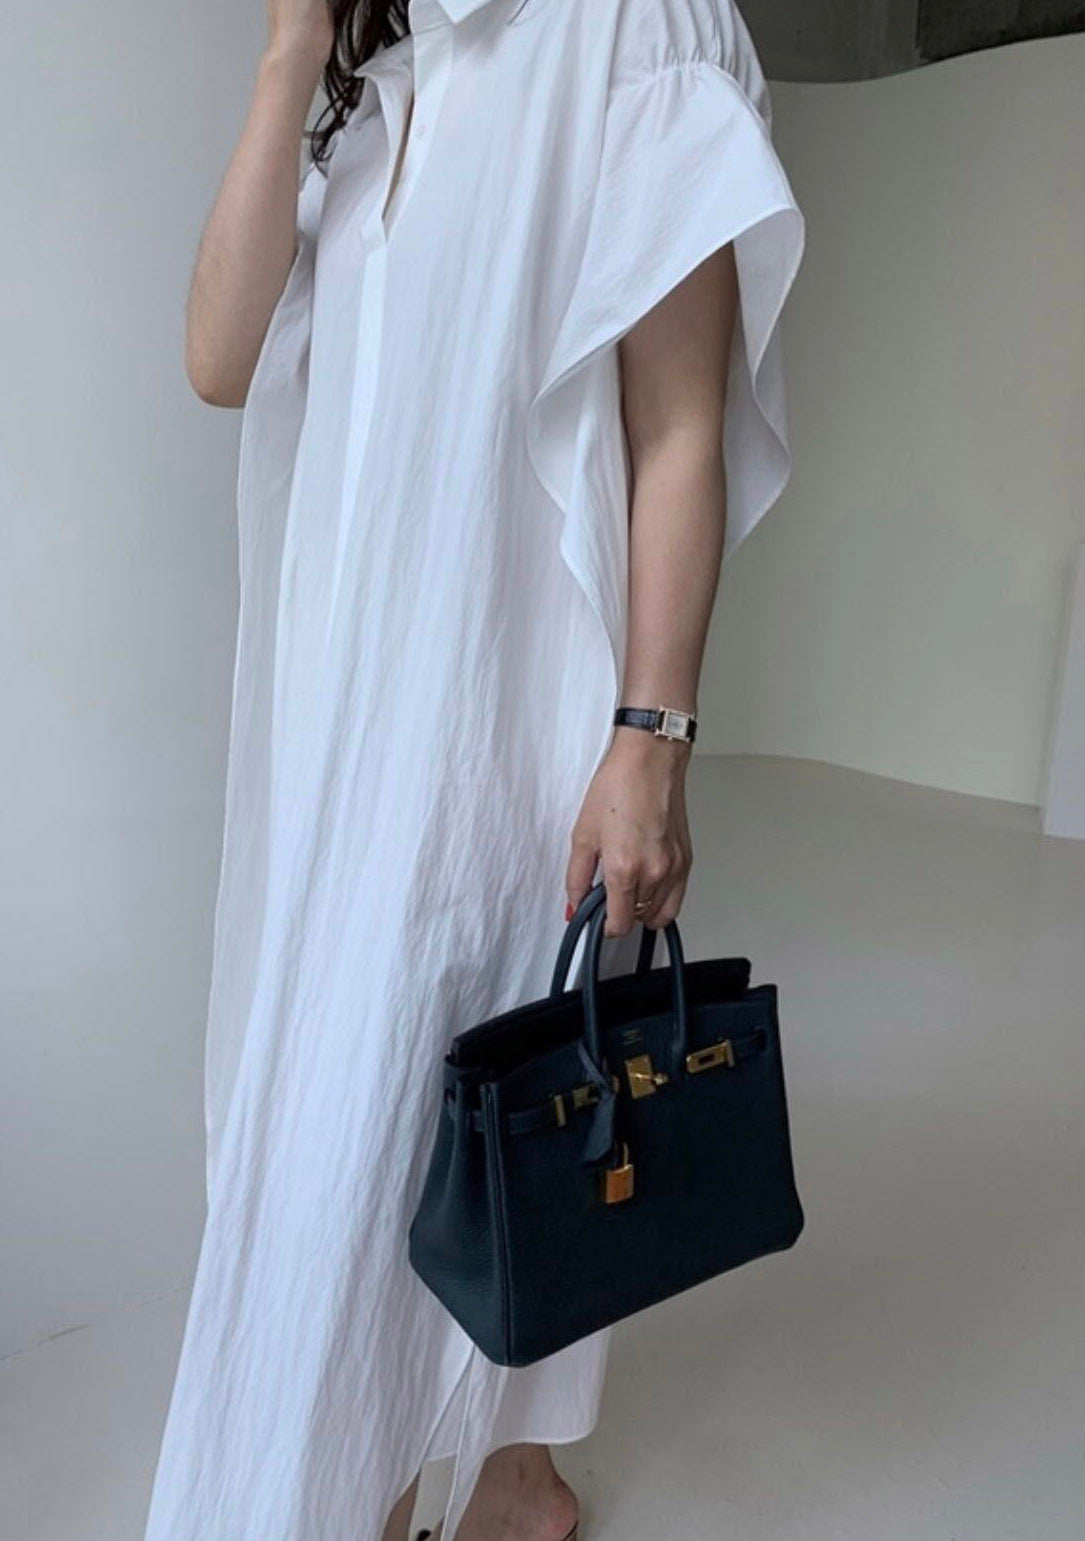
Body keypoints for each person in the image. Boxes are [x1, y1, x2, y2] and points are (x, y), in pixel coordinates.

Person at [142, 2, 804, 1539]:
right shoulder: (379, 75)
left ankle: (385, 1489)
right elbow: (218, 358)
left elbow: (677, 424)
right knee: (393, 1128)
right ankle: (510, 1475)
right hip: (341, 742)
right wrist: (289, 53)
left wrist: (651, 737)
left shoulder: (629, 23)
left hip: (509, 739)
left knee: (470, 1111)